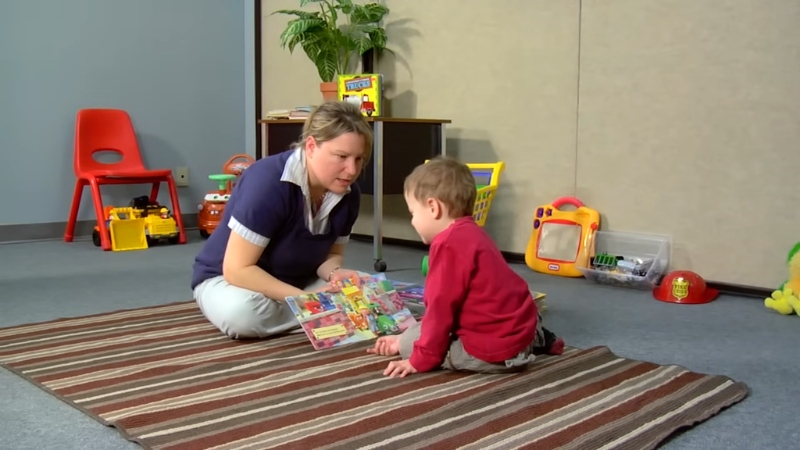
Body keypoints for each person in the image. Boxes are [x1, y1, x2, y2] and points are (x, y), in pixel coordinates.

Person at [367, 157, 564, 377]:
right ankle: (536, 338)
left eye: (413, 212)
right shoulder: (475, 232)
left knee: (413, 341)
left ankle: (517, 349)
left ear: (433, 207)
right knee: (420, 330)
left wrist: (416, 357)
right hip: (522, 323)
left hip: (496, 351)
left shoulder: (446, 244)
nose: (412, 221)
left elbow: (440, 311)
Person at [191, 101, 372, 339]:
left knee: (368, 288)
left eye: (358, 159)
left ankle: (313, 313)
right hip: (230, 280)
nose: (351, 170)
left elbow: (330, 255)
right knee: (243, 315)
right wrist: (305, 300)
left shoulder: (349, 193)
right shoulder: (267, 182)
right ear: (311, 147)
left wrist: (334, 273)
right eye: (341, 156)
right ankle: (321, 313)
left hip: (298, 281)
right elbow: (237, 270)